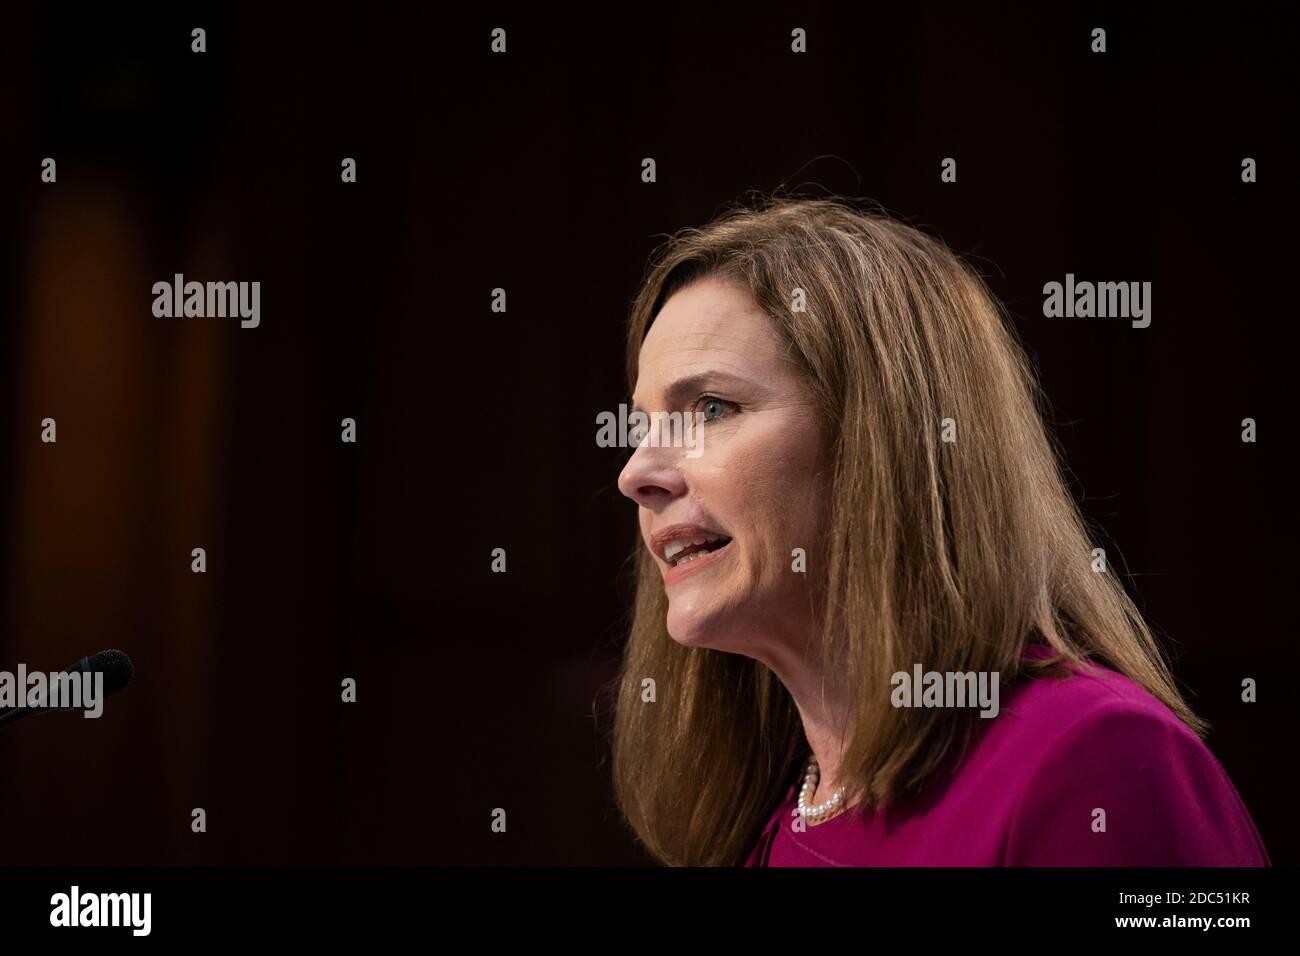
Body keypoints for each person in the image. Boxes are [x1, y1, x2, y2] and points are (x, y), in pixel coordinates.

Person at [608, 194, 1270, 867]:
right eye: (643, 429)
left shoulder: (1096, 757)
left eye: (711, 407)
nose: (637, 473)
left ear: (882, 439)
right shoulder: (771, 816)